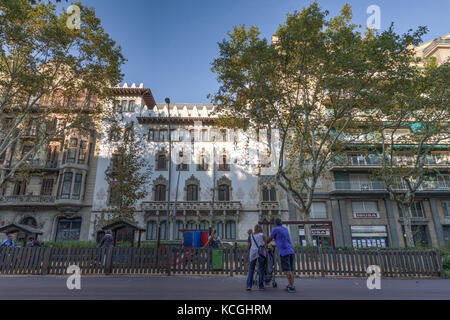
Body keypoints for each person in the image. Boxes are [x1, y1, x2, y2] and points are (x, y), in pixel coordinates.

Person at [266, 218, 296, 293]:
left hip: (284, 252)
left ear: (275, 224)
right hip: (291, 251)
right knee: (291, 270)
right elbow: (284, 240)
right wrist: (276, 245)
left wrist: (263, 244)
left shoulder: (275, 229)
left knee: (287, 270)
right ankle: (291, 285)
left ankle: (291, 287)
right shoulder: (285, 229)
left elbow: (269, 239)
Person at [246, 224, 266, 291]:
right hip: (260, 252)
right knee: (260, 269)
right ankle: (261, 286)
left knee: (251, 269)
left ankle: (249, 285)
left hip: (253, 252)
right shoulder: (262, 235)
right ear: (260, 228)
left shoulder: (251, 235)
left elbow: (250, 245)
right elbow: (265, 244)